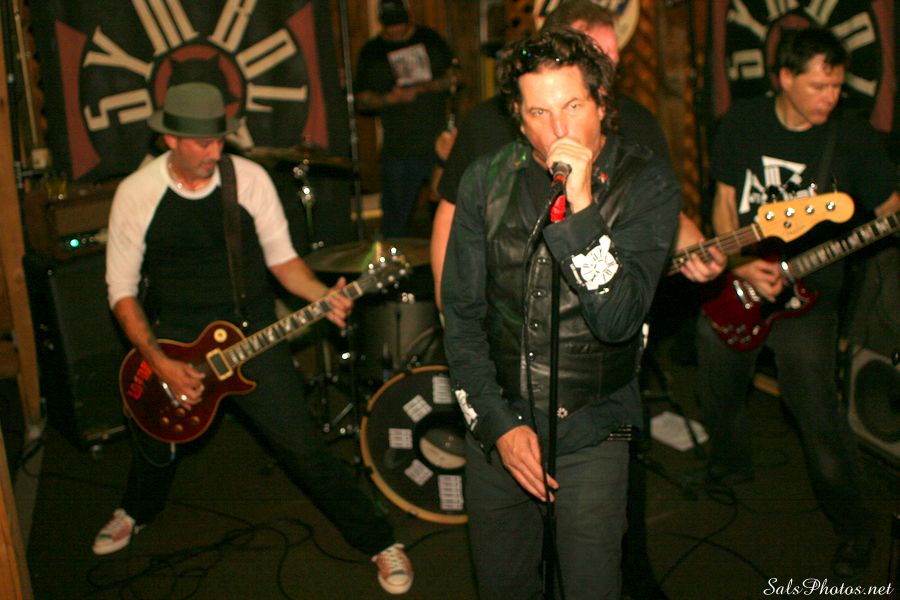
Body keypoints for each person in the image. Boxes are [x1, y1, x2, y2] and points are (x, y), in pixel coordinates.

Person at [94, 83, 414, 595]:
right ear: (170, 140)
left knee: (303, 448)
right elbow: (122, 291)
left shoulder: (248, 179)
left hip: (250, 332)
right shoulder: (137, 193)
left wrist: (322, 296)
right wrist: (156, 359)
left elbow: (284, 263)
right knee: (154, 433)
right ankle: (135, 510)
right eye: (202, 143)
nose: (214, 151)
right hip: (174, 337)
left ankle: (379, 541)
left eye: (219, 140)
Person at [442, 28, 681, 599]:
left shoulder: (646, 184)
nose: (558, 130)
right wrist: (499, 425)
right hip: (499, 427)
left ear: (601, 104)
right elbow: (462, 316)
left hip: (593, 429)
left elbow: (618, 320)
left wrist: (581, 207)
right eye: (539, 112)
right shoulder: (484, 181)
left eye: (572, 106)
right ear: (519, 119)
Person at [699, 27, 899, 580]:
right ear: (784, 78)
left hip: (811, 298)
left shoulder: (851, 139)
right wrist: (739, 264)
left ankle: (855, 528)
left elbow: (890, 205)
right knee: (715, 372)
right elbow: (723, 203)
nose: (830, 97)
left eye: (836, 86)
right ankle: (729, 462)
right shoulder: (743, 123)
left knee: (818, 414)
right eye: (818, 86)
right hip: (742, 278)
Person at [430, 1, 723, 310]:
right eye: (598, 54)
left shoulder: (636, 122)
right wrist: (449, 302)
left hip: (600, 309)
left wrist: (700, 249)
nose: (608, 69)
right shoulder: (488, 121)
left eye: (614, 58)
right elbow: (452, 211)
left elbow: (659, 210)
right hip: (508, 314)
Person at [355, 0, 457, 238]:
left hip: (437, 144)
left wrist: (426, 86)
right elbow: (361, 100)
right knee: (395, 221)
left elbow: (456, 78)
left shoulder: (430, 39)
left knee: (448, 214)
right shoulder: (372, 51)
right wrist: (389, 99)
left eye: (400, 24)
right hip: (399, 148)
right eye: (390, 25)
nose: (396, 30)